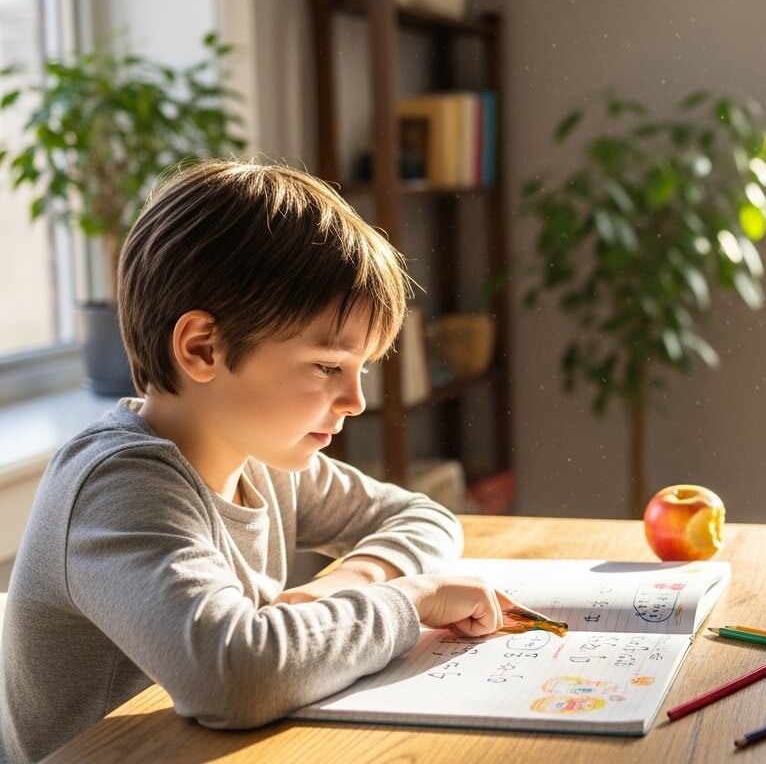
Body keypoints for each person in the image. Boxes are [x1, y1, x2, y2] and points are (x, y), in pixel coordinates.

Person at [0, 161, 522, 762]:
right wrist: (414, 597)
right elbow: (235, 676)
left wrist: (350, 580)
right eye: (329, 367)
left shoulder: (259, 460)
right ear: (204, 348)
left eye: (362, 371)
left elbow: (422, 516)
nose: (355, 401)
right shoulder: (118, 489)